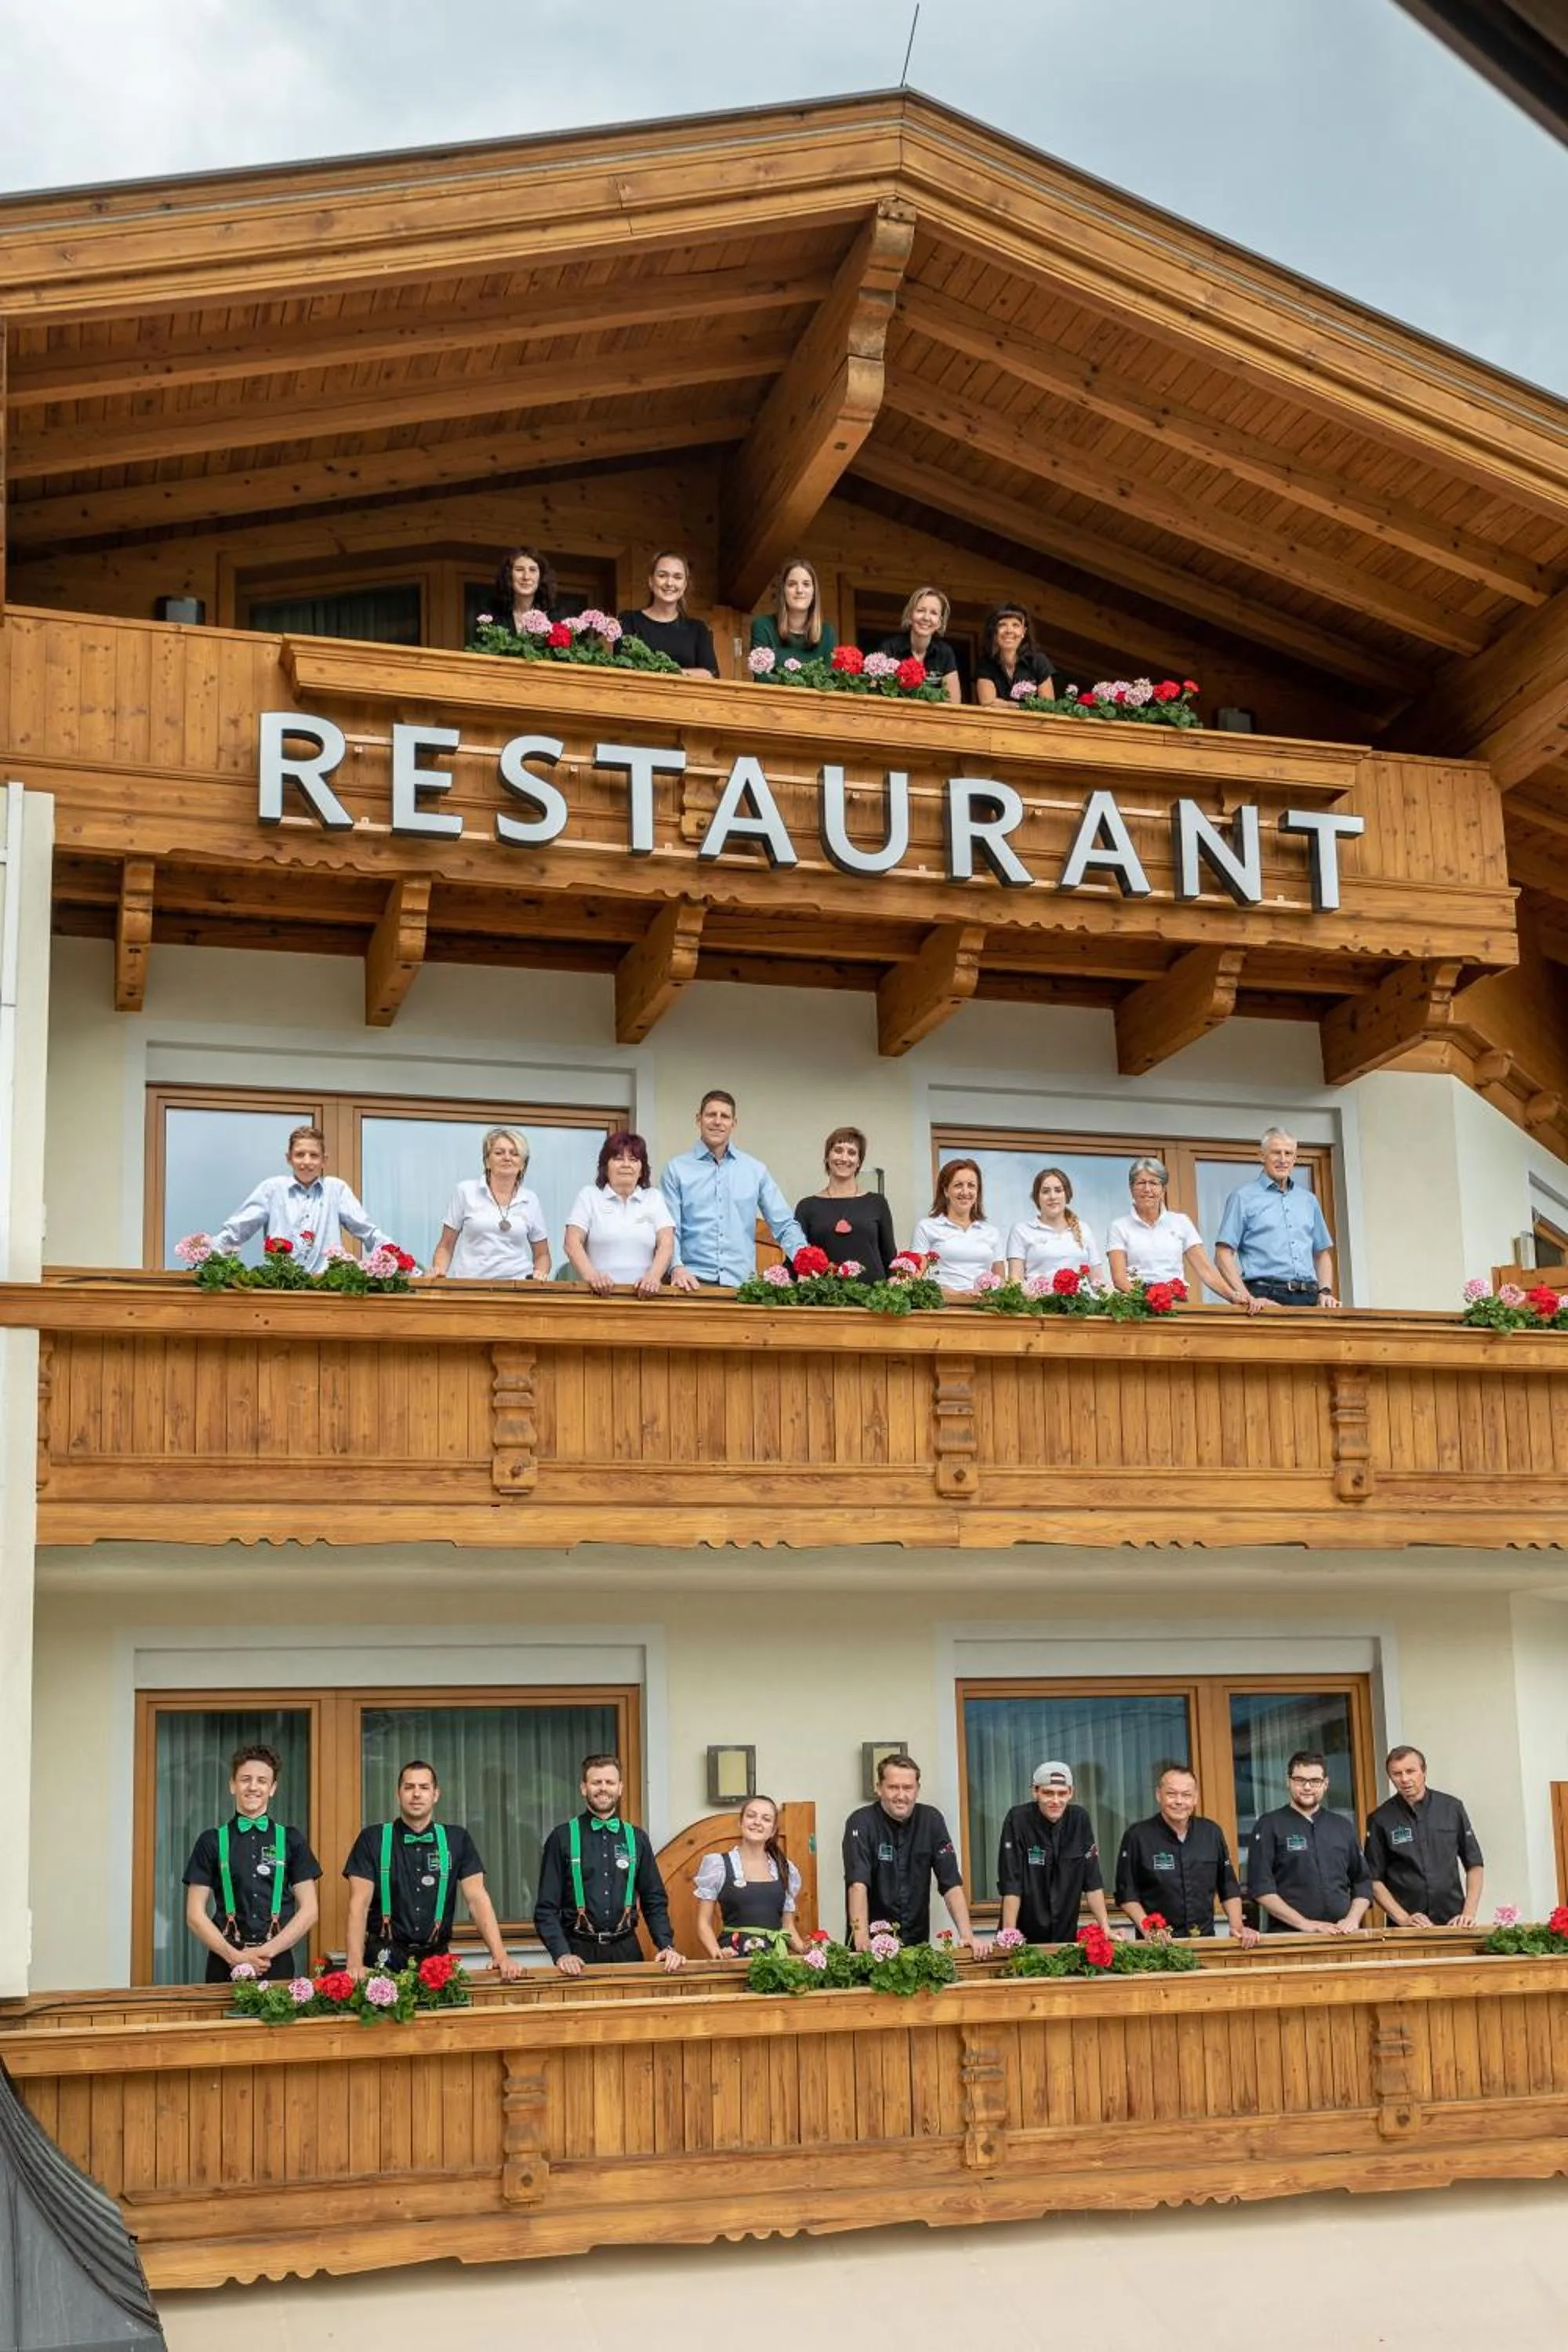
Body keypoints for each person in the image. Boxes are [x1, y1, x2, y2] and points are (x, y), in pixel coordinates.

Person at [343, 1759, 522, 1980]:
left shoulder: (457, 1839)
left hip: (436, 1961)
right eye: (409, 1787)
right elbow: (358, 1905)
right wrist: (354, 1964)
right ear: (398, 1794)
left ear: (436, 1794)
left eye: (424, 1787)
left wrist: (501, 1956)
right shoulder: (372, 1839)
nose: (416, 1794)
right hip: (383, 1958)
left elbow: (477, 1899)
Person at [182, 1742, 321, 1984]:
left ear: (273, 1788)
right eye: (245, 1779)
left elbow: (310, 1910)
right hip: (224, 1960)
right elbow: (195, 1914)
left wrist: (264, 1952)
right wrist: (235, 1957)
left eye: (262, 1780)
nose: (253, 1787)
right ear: (232, 1785)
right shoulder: (212, 1841)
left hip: (275, 1962)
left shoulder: (291, 1839)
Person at [533, 1752, 684, 1973]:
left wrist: (666, 1945)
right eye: (596, 1782)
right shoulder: (562, 1837)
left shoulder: (637, 1838)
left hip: (627, 1951)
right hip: (577, 1955)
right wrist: (562, 1953)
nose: (603, 1788)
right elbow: (546, 1909)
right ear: (584, 1788)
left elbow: (654, 1900)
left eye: (609, 1782)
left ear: (620, 1788)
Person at [661, 1090, 804, 1289]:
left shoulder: (755, 1170)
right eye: (711, 1115)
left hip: (742, 1286)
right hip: (691, 1284)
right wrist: (676, 1267)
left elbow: (784, 1224)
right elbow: (669, 1228)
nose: (718, 1122)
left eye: (725, 1116)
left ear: (733, 1124)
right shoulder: (676, 1169)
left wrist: (805, 1260)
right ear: (698, 1119)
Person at [210, 1123, 394, 1276]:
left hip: (326, 1287)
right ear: (289, 1159)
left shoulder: (336, 1190)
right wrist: (206, 1255)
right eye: (300, 1154)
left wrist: (398, 1260)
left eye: (314, 1155)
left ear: (324, 1160)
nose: (307, 1161)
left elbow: (367, 1231)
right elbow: (238, 1229)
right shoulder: (272, 1189)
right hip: (281, 1286)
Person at [843, 1752, 977, 1951]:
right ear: (878, 1788)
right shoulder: (861, 1822)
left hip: (917, 1943)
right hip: (871, 1948)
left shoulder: (932, 1820)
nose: (901, 1795)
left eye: (908, 1788)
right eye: (893, 1787)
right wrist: (861, 1938)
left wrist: (968, 1936)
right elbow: (858, 1884)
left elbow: (951, 1884)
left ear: (917, 1789)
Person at [1115, 1762, 1259, 1943]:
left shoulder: (1212, 1832)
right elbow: (1127, 1893)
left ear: (1195, 1798)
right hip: (1157, 1946)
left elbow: (1228, 1886)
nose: (1179, 1801)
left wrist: (1237, 1927)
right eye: (1171, 1794)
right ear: (1159, 1795)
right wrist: (1149, 1928)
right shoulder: (1137, 1836)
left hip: (1204, 1941)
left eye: (1186, 1795)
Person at [1214, 1127, 1341, 1312]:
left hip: (1309, 1298)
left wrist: (1325, 1292)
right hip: (1264, 1297)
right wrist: (1247, 1298)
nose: (1283, 1159)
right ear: (1262, 1156)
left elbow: (1321, 1254)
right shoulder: (1242, 1197)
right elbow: (1222, 1254)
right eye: (1276, 1153)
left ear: (1295, 1159)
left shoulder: (1308, 1200)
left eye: (1288, 1153)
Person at [1247, 1749, 1372, 1936]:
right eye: (1299, 1780)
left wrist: (1352, 1919)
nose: (1307, 1787)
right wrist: (1306, 1924)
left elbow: (1362, 1882)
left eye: (1315, 1781)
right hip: (1291, 1937)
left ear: (1326, 1784)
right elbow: (1261, 1888)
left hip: (1343, 1936)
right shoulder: (1269, 1825)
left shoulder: (1342, 1826)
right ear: (1288, 1782)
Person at [1364, 1744, 1485, 1929]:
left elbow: (1474, 1864)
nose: (1405, 1779)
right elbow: (1373, 1879)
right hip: (1405, 1928)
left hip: (1453, 1922)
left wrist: (1468, 1913)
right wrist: (1403, 1918)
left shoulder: (1452, 1808)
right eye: (1397, 1774)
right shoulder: (1380, 1819)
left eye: (1410, 1771)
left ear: (1424, 1771)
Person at [996, 1761, 1112, 1945]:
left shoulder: (1079, 1820)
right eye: (1048, 1793)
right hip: (1023, 1935)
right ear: (1035, 1791)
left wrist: (1105, 1928)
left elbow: (1092, 1881)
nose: (1056, 1801)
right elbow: (1012, 1883)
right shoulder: (1017, 1819)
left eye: (1062, 1793)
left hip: (1065, 1934)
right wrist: (1009, 1934)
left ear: (1071, 1793)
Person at [1106, 1157, 1243, 1304]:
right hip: (1139, 1306)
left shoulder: (1181, 1222)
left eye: (1154, 1183)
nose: (1147, 1189)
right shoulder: (1119, 1226)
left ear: (1163, 1189)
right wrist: (1150, 1302)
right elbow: (1119, 1279)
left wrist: (1233, 1296)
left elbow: (1205, 1270)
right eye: (1141, 1183)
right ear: (1131, 1189)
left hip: (1176, 1304)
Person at [428, 1127, 550, 1281]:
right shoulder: (465, 1191)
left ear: (522, 1165)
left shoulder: (531, 1199)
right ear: (487, 1162)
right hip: (470, 1286)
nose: (507, 1158)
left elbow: (542, 1254)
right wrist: (439, 1273)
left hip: (518, 1288)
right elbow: (446, 1245)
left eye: (514, 1153)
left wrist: (539, 1274)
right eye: (499, 1153)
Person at [693, 1795, 805, 1958]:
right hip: (734, 1957)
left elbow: (787, 1927)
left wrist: (806, 1951)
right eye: (751, 1816)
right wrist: (717, 1953)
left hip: (775, 1961)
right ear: (740, 1822)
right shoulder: (719, 1865)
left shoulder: (786, 1869)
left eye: (766, 1819)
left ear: (773, 1830)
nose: (757, 1822)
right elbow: (703, 1924)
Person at [564, 1130, 675, 1294]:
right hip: (598, 1296)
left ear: (642, 1169)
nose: (626, 1164)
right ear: (605, 1166)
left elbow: (667, 1243)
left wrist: (653, 1277)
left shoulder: (654, 1198)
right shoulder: (589, 1196)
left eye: (633, 1159)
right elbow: (572, 1243)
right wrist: (592, 1277)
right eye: (618, 1158)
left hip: (644, 1297)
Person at [793, 1124, 897, 1280]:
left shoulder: (877, 1203)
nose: (844, 1158)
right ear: (827, 1157)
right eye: (838, 1150)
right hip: (824, 1298)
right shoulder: (807, 1206)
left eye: (852, 1153)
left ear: (859, 1162)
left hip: (873, 1298)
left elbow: (890, 1257)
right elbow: (796, 1258)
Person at [910, 1158, 1005, 1295]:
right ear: (946, 1191)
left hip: (984, 1308)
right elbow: (915, 1277)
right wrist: (956, 1294)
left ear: (978, 1192)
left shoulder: (992, 1232)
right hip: (942, 1307)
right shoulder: (927, 1227)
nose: (965, 1192)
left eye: (971, 1186)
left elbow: (1000, 1279)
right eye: (958, 1185)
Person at [618, 551, 718, 678]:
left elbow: (711, 674)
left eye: (677, 577)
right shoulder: (629, 621)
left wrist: (669, 673)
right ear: (651, 581)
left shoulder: (698, 629)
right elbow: (622, 668)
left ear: (685, 585)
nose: (669, 583)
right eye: (662, 575)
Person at [1006, 1166, 1105, 1288]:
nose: (1052, 1196)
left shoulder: (1084, 1229)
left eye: (1058, 1190)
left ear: (1067, 1195)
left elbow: (1098, 1282)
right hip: (1038, 1305)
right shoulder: (1021, 1230)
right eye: (1045, 1191)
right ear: (1037, 1197)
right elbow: (1015, 1282)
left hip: (1079, 1305)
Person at [876, 586, 962, 703]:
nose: (926, 618)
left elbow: (953, 702)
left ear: (939, 623)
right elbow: (876, 692)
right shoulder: (891, 647)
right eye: (921, 610)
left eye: (934, 613)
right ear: (910, 615)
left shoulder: (945, 653)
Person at [750, 558, 837, 666]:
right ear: (783, 591)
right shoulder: (763, 627)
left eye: (806, 584)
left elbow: (831, 680)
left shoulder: (827, 634)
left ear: (814, 593)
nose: (799, 590)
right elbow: (762, 678)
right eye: (792, 584)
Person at [971, 603, 1055, 709]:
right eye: (1002, 625)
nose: (1009, 631)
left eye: (1015, 625)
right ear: (994, 632)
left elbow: (1048, 707)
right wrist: (1028, 706)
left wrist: (1008, 705)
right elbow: (988, 704)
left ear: (1023, 632)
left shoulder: (1038, 661)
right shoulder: (986, 665)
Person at [485, 545, 557, 631]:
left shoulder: (554, 618)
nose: (526, 577)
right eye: (519, 570)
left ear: (541, 577)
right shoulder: (492, 615)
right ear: (508, 575)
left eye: (533, 570)